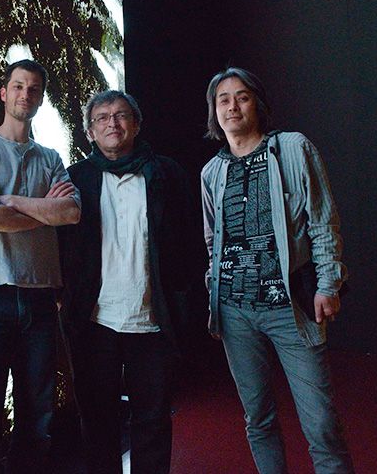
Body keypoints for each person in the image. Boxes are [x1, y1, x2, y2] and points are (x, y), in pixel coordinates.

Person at [200, 67, 354, 474]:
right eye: (223, 99)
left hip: (290, 307)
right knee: (258, 419)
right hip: (234, 311)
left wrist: (328, 284)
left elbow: (322, 220)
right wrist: (214, 293)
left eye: (242, 96)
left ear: (258, 104)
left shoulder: (292, 148)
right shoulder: (211, 172)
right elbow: (213, 242)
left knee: (321, 424)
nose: (232, 106)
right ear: (214, 111)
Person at [58, 90, 201, 474]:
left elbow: (189, 241)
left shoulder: (167, 173)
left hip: (152, 320)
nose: (113, 123)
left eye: (121, 115)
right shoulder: (75, 179)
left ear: (136, 124)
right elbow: (60, 245)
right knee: (98, 421)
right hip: (95, 321)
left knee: (153, 421)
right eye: (102, 118)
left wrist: (184, 298)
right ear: (90, 131)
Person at [0, 58, 81, 473]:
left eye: (33, 89)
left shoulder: (50, 157)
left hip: (41, 301)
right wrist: (46, 210)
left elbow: (72, 212)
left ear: (41, 99)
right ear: (4, 93)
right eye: (18, 86)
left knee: (36, 428)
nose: (25, 94)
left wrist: (14, 201)